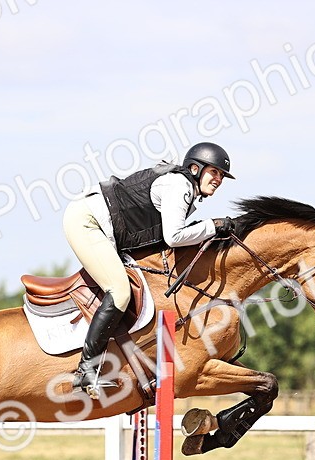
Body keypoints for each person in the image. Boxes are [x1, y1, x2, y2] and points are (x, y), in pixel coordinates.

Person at [62, 141, 236, 395]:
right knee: (120, 291)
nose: (218, 179)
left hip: (109, 230)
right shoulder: (180, 185)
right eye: (215, 172)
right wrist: (212, 225)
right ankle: (86, 372)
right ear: (196, 169)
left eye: (222, 175)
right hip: (88, 222)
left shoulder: (184, 188)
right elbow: (174, 237)